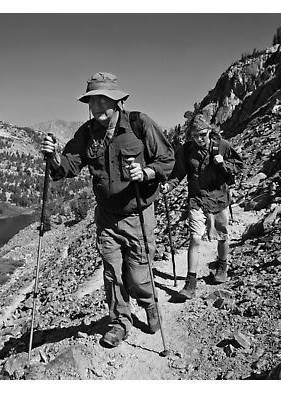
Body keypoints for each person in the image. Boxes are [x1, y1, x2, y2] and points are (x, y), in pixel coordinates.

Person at [40, 72, 175, 348]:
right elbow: (67, 166)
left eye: (103, 100)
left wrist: (147, 172)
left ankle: (149, 303)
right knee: (112, 273)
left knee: (137, 277)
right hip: (106, 217)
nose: (98, 107)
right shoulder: (87, 133)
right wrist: (53, 157)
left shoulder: (140, 124)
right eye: (93, 101)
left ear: (118, 101)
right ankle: (119, 322)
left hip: (138, 215)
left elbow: (167, 160)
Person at [161, 114, 243, 299]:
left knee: (222, 234)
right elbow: (178, 174)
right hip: (196, 199)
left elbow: (239, 165)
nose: (199, 139)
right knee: (195, 239)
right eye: (195, 135)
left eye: (203, 134)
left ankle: (222, 267)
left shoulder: (222, 145)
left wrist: (225, 164)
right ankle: (190, 283)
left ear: (209, 132)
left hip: (219, 198)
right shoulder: (186, 150)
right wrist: (169, 186)